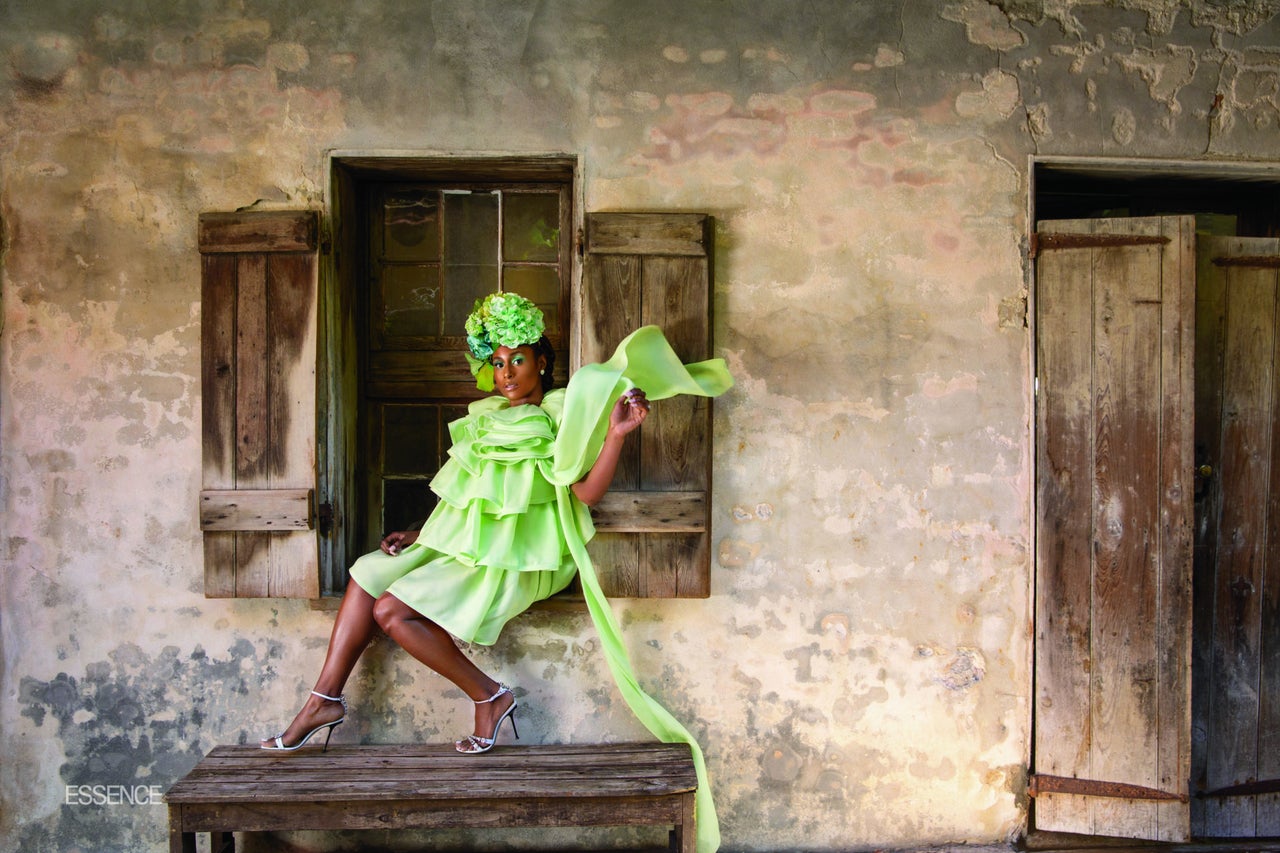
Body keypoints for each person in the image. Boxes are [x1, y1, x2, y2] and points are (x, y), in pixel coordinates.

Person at [260, 292, 732, 852]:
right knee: (368, 571)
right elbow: (471, 498)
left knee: (391, 610)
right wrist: (422, 532)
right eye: (498, 362)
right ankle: (325, 698)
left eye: (519, 359)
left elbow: (582, 491)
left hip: (527, 552)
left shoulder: (561, 412)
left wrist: (615, 437)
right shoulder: (488, 419)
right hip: (471, 543)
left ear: (542, 363)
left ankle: (488, 696)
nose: (506, 372)